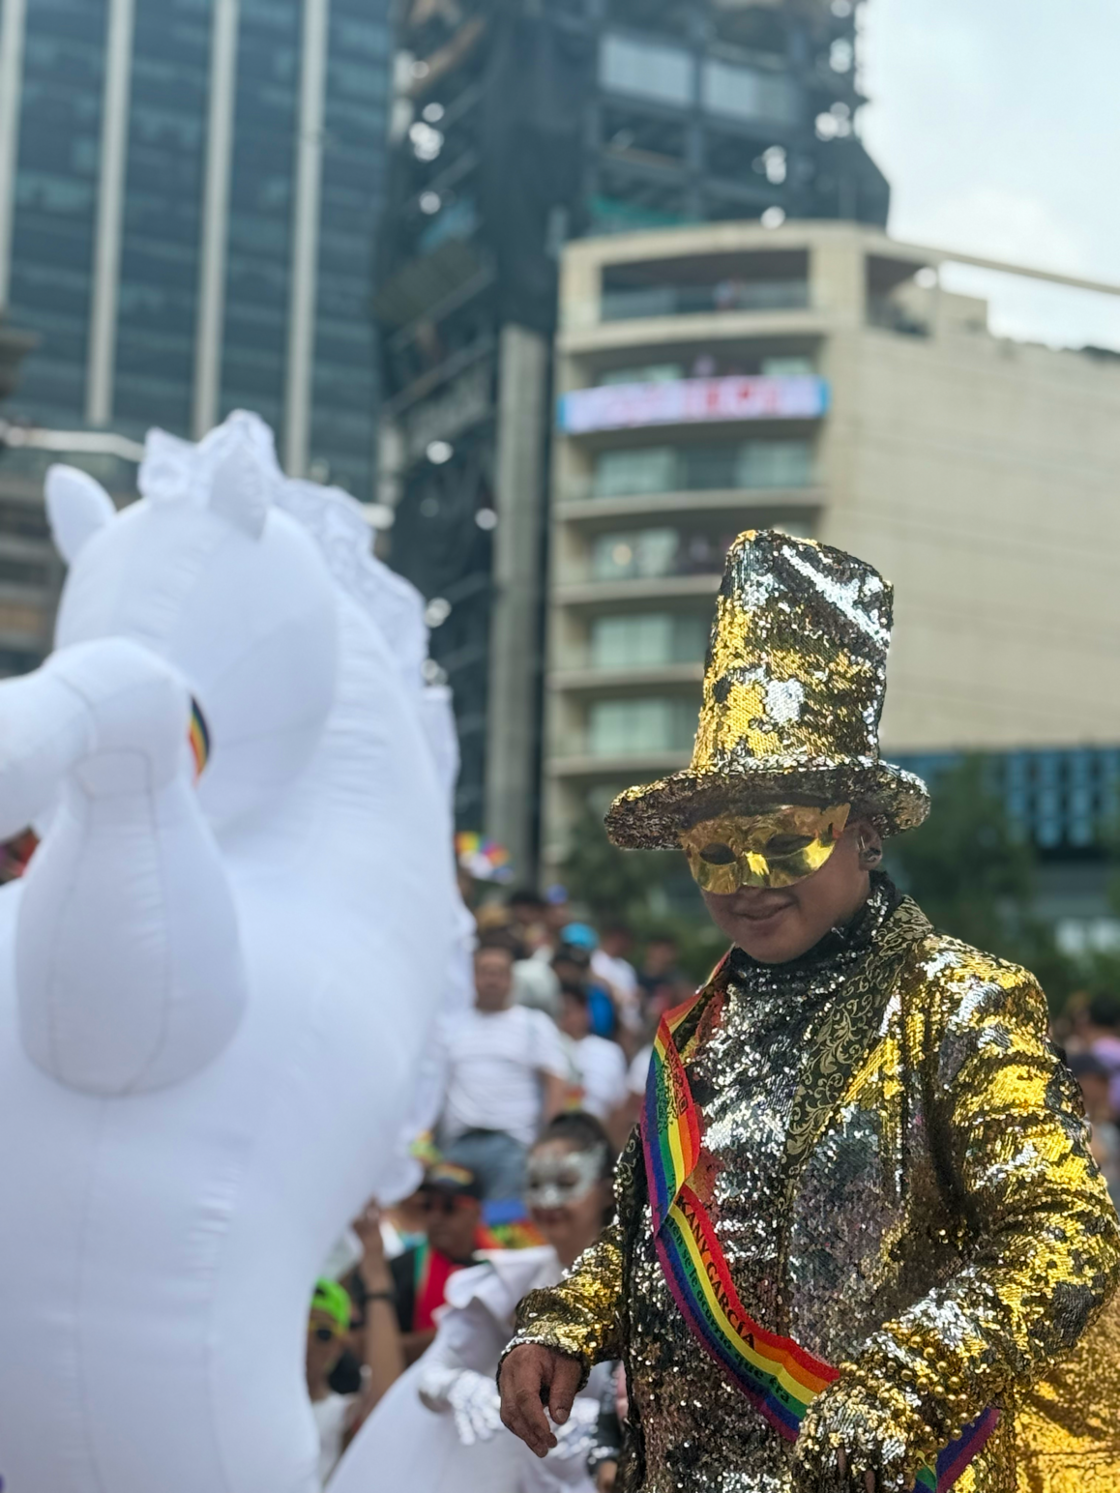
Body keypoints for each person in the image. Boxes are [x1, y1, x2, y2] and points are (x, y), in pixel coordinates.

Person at [498, 530, 1120, 1493]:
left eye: (784, 840)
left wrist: (905, 1377)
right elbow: (644, 1245)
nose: (746, 882)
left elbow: (1064, 1230)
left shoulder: (956, 1002)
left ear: (865, 833)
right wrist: (565, 1322)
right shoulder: (692, 1034)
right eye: (715, 847)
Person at [332, 1113, 618, 1493]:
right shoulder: (508, 1283)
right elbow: (431, 1374)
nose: (548, 1199)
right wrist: (465, 1391)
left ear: (607, 1188)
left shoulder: (643, 1285)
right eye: (535, 1183)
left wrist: (591, 1426)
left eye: (566, 1183)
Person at [434, 935, 571, 1200]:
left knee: (502, 1232)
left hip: (512, 1148)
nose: (492, 979)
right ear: (472, 977)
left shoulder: (533, 1025)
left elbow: (555, 1083)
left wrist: (549, 1141)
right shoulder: (452, 1025)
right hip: (457, 1147)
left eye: (499, 973)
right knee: (450, 1229)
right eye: (484, 972)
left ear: (511, 979)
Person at [390, 1162, 492, 1364]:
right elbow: (379, 1350)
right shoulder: (400, 1269)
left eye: (449, 1207)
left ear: (476, 1213)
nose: (435, 1217)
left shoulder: (504, 1267)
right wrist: (460, 1331)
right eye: (428, 1206)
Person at [555, 982, 630, 1141]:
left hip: (598, 1132)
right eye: (562, 1013)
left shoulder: (609, 1051)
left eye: (572, 1011)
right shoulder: (548, 1047)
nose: (568, 1018)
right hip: (556, 1132)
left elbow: (619, 1105)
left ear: (585, 1013)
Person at [306, 1278, 359, 1485]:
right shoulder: (250, 1408)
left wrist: (378, 1289)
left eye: (322, 1332)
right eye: (296, 1327)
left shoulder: (345, 1415)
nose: (306, 1341)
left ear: (340, 1345)